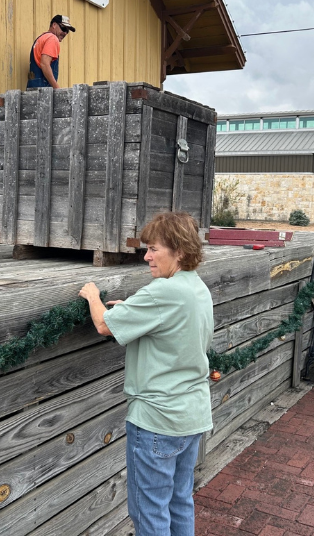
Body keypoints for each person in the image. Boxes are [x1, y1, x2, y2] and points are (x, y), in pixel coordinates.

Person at [79, 212, 214, 536]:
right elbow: (169, 324)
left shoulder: (163, 292)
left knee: (149, 512)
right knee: (180, 501)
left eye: (154, 249)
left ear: (179, 251)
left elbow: (103, 325)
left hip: (157, 420)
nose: (147, 256)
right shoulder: (197, 287)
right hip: (192, 416)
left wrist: (92, 296)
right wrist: (131, 310)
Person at [26, 15, 75, 89]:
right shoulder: (52, 39)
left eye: (67, 31)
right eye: (63, 28)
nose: (65, 33)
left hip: (32, 87)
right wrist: (56, 88)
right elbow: (44, 64)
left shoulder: (42, 38)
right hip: (43, 89)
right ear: (54, 25)